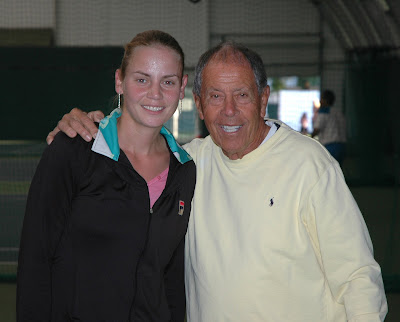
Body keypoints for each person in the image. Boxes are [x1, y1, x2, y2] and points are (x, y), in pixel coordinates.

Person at [46, 41, 387, 321]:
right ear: (198, 103)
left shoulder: (310, 164)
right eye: (215, 96)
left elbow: (357, 277)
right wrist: (83, 127)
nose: (228, 111)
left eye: (241, 95)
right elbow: (134, 145)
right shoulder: (189, 162)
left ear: (263, 99)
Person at [17, 30, 196, 322]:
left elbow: (172, 276)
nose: (155, 93)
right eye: (141, 79)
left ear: (182, 86)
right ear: (119, 81)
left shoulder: (185, 170)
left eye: (168, 81)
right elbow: (35, 261)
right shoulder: (73, 150)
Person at [312, 89, 347, 166]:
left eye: (321, 99)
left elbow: (317, 129)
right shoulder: (339, 112)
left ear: (325, 100)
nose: (320, 101)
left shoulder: (324, 112)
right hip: (342, 147)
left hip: (330, 147)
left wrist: (309, 139)